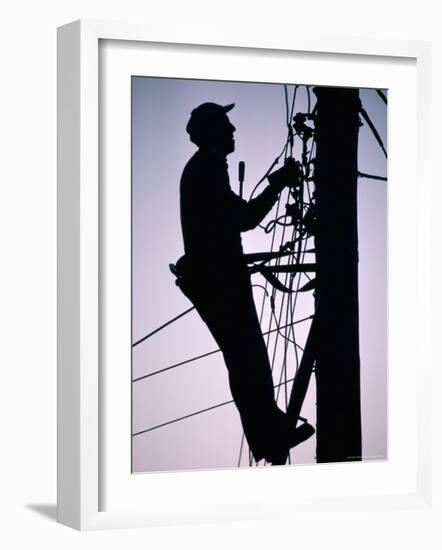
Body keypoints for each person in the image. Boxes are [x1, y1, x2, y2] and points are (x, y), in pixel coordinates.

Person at [174, 102, 314, 465]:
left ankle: (268, 431)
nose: (233, 128)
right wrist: (279, 184)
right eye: (225, 123)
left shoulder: (205, 169)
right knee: (247, 358)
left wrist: (275, 187)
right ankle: (268, 435)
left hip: (218, 278)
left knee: (246, 359)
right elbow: (245, 218)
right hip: (219, 281)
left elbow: (239, 219)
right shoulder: (206, 167)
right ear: (211, 131)